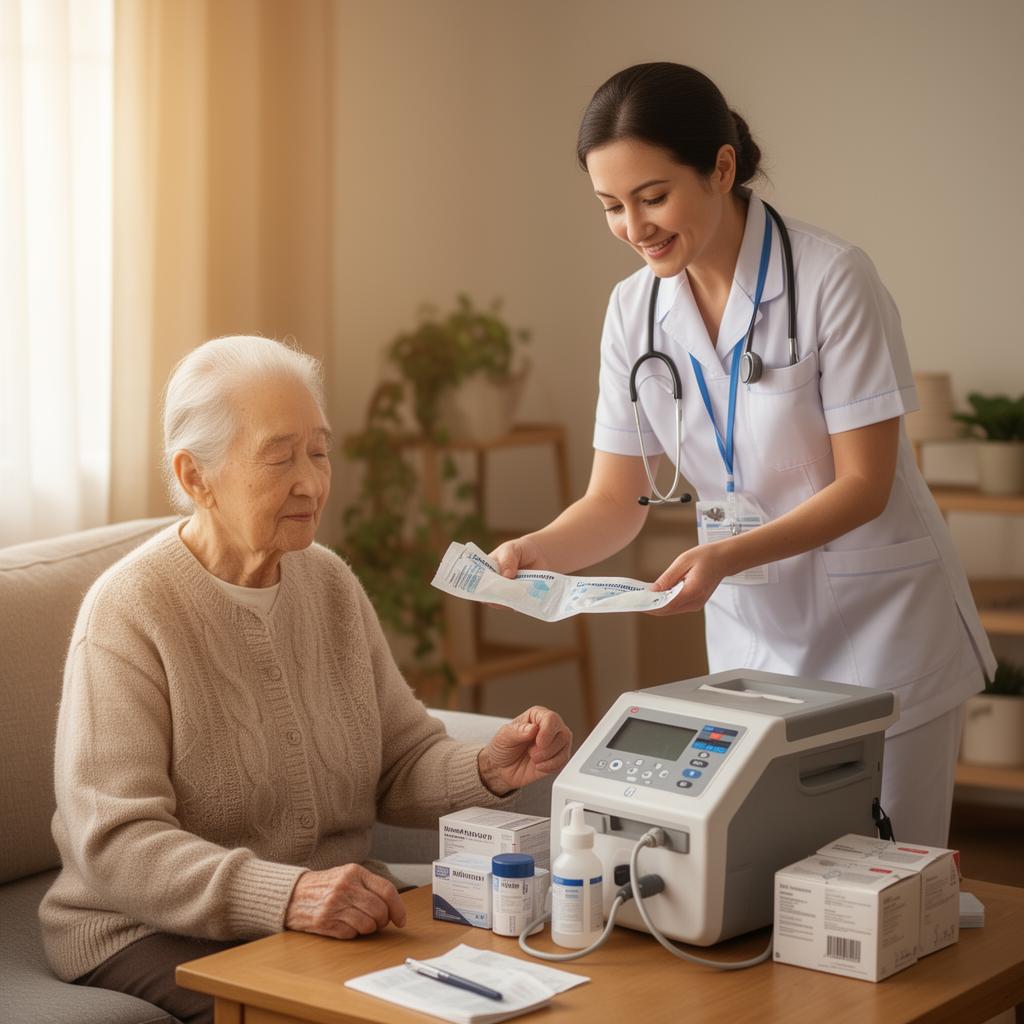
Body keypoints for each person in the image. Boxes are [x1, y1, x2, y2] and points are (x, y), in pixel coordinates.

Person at [491, 63, 994, 849]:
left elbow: (862, 485)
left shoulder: (833, 279)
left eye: (652, 197)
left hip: (880, 628)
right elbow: (616, 499)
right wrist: (532, 551)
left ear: (722, 167)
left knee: (884, 885)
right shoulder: (634, 310)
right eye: (611, 207)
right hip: (752, 634)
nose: (634, 227)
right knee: (768, 885)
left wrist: (726, 555)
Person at [40, 335, 572, 1024]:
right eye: (279, 456)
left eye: (318, 452)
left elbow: (400, 760)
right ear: (196, 476)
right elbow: (118, 844)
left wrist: (487, 766)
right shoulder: (131, 612)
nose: (312, 483)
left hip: (324, 917)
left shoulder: (327, 583)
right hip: (148, 930)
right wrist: (287, 895)